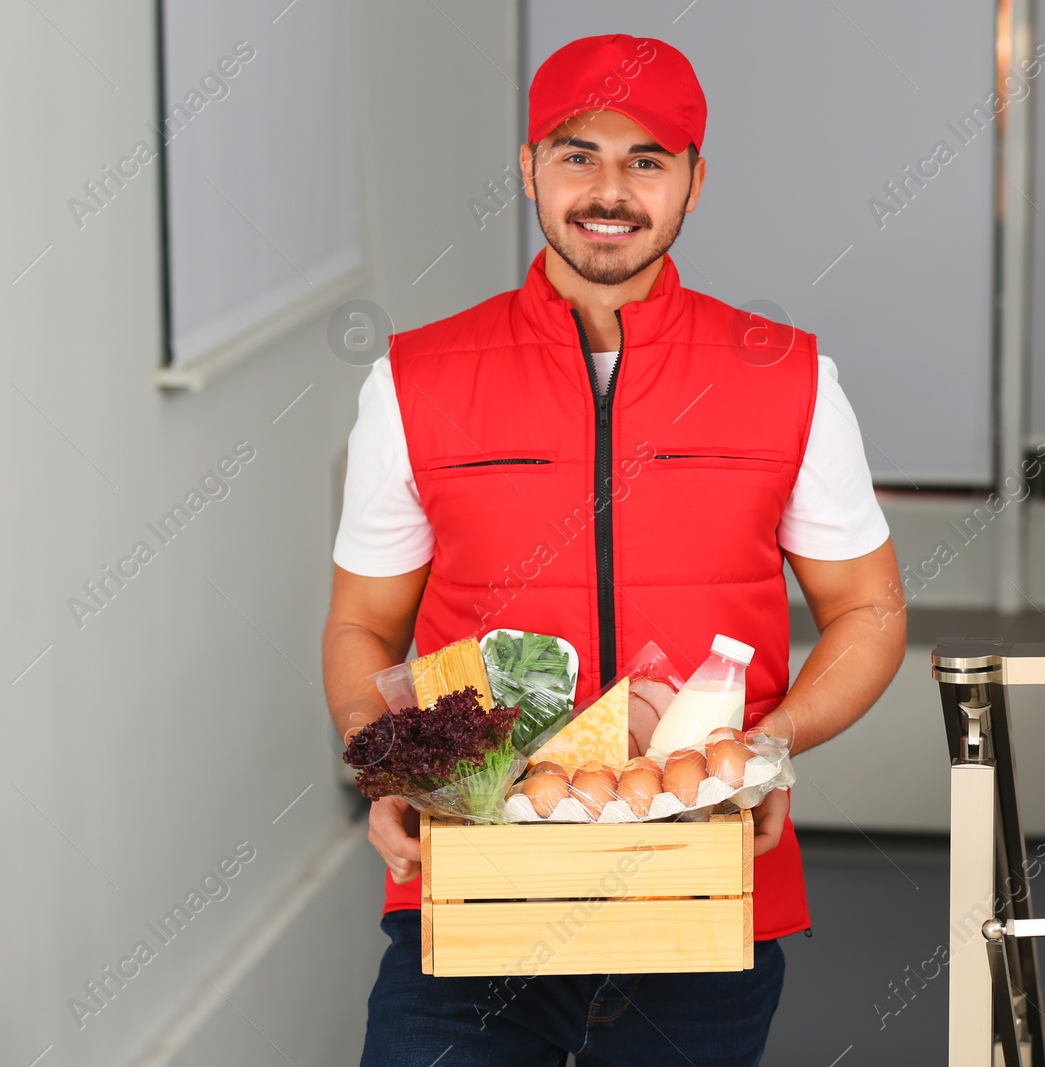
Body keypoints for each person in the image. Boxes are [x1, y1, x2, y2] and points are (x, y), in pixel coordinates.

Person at [323, 33, 905, 1067]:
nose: (608, 189)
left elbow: (868, 608)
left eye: (646, 159)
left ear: (694, 181)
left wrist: (761, 755)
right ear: (528, 168)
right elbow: (364, 620)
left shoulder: (786, 376)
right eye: (576, 152)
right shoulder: (415, 376)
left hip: (701, 877)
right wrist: (385, 764)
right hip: (472, 886)